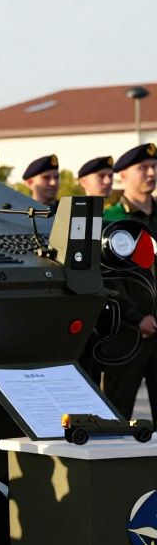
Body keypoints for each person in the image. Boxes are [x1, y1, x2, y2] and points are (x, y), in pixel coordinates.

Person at [100, 144, 157, 418]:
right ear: (122, 174)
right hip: (127, 334)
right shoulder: (110, 221)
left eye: (154, 167)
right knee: (117, 413)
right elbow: (109, 279)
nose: (151, 173)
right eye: (142, 168)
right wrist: (138, 318)